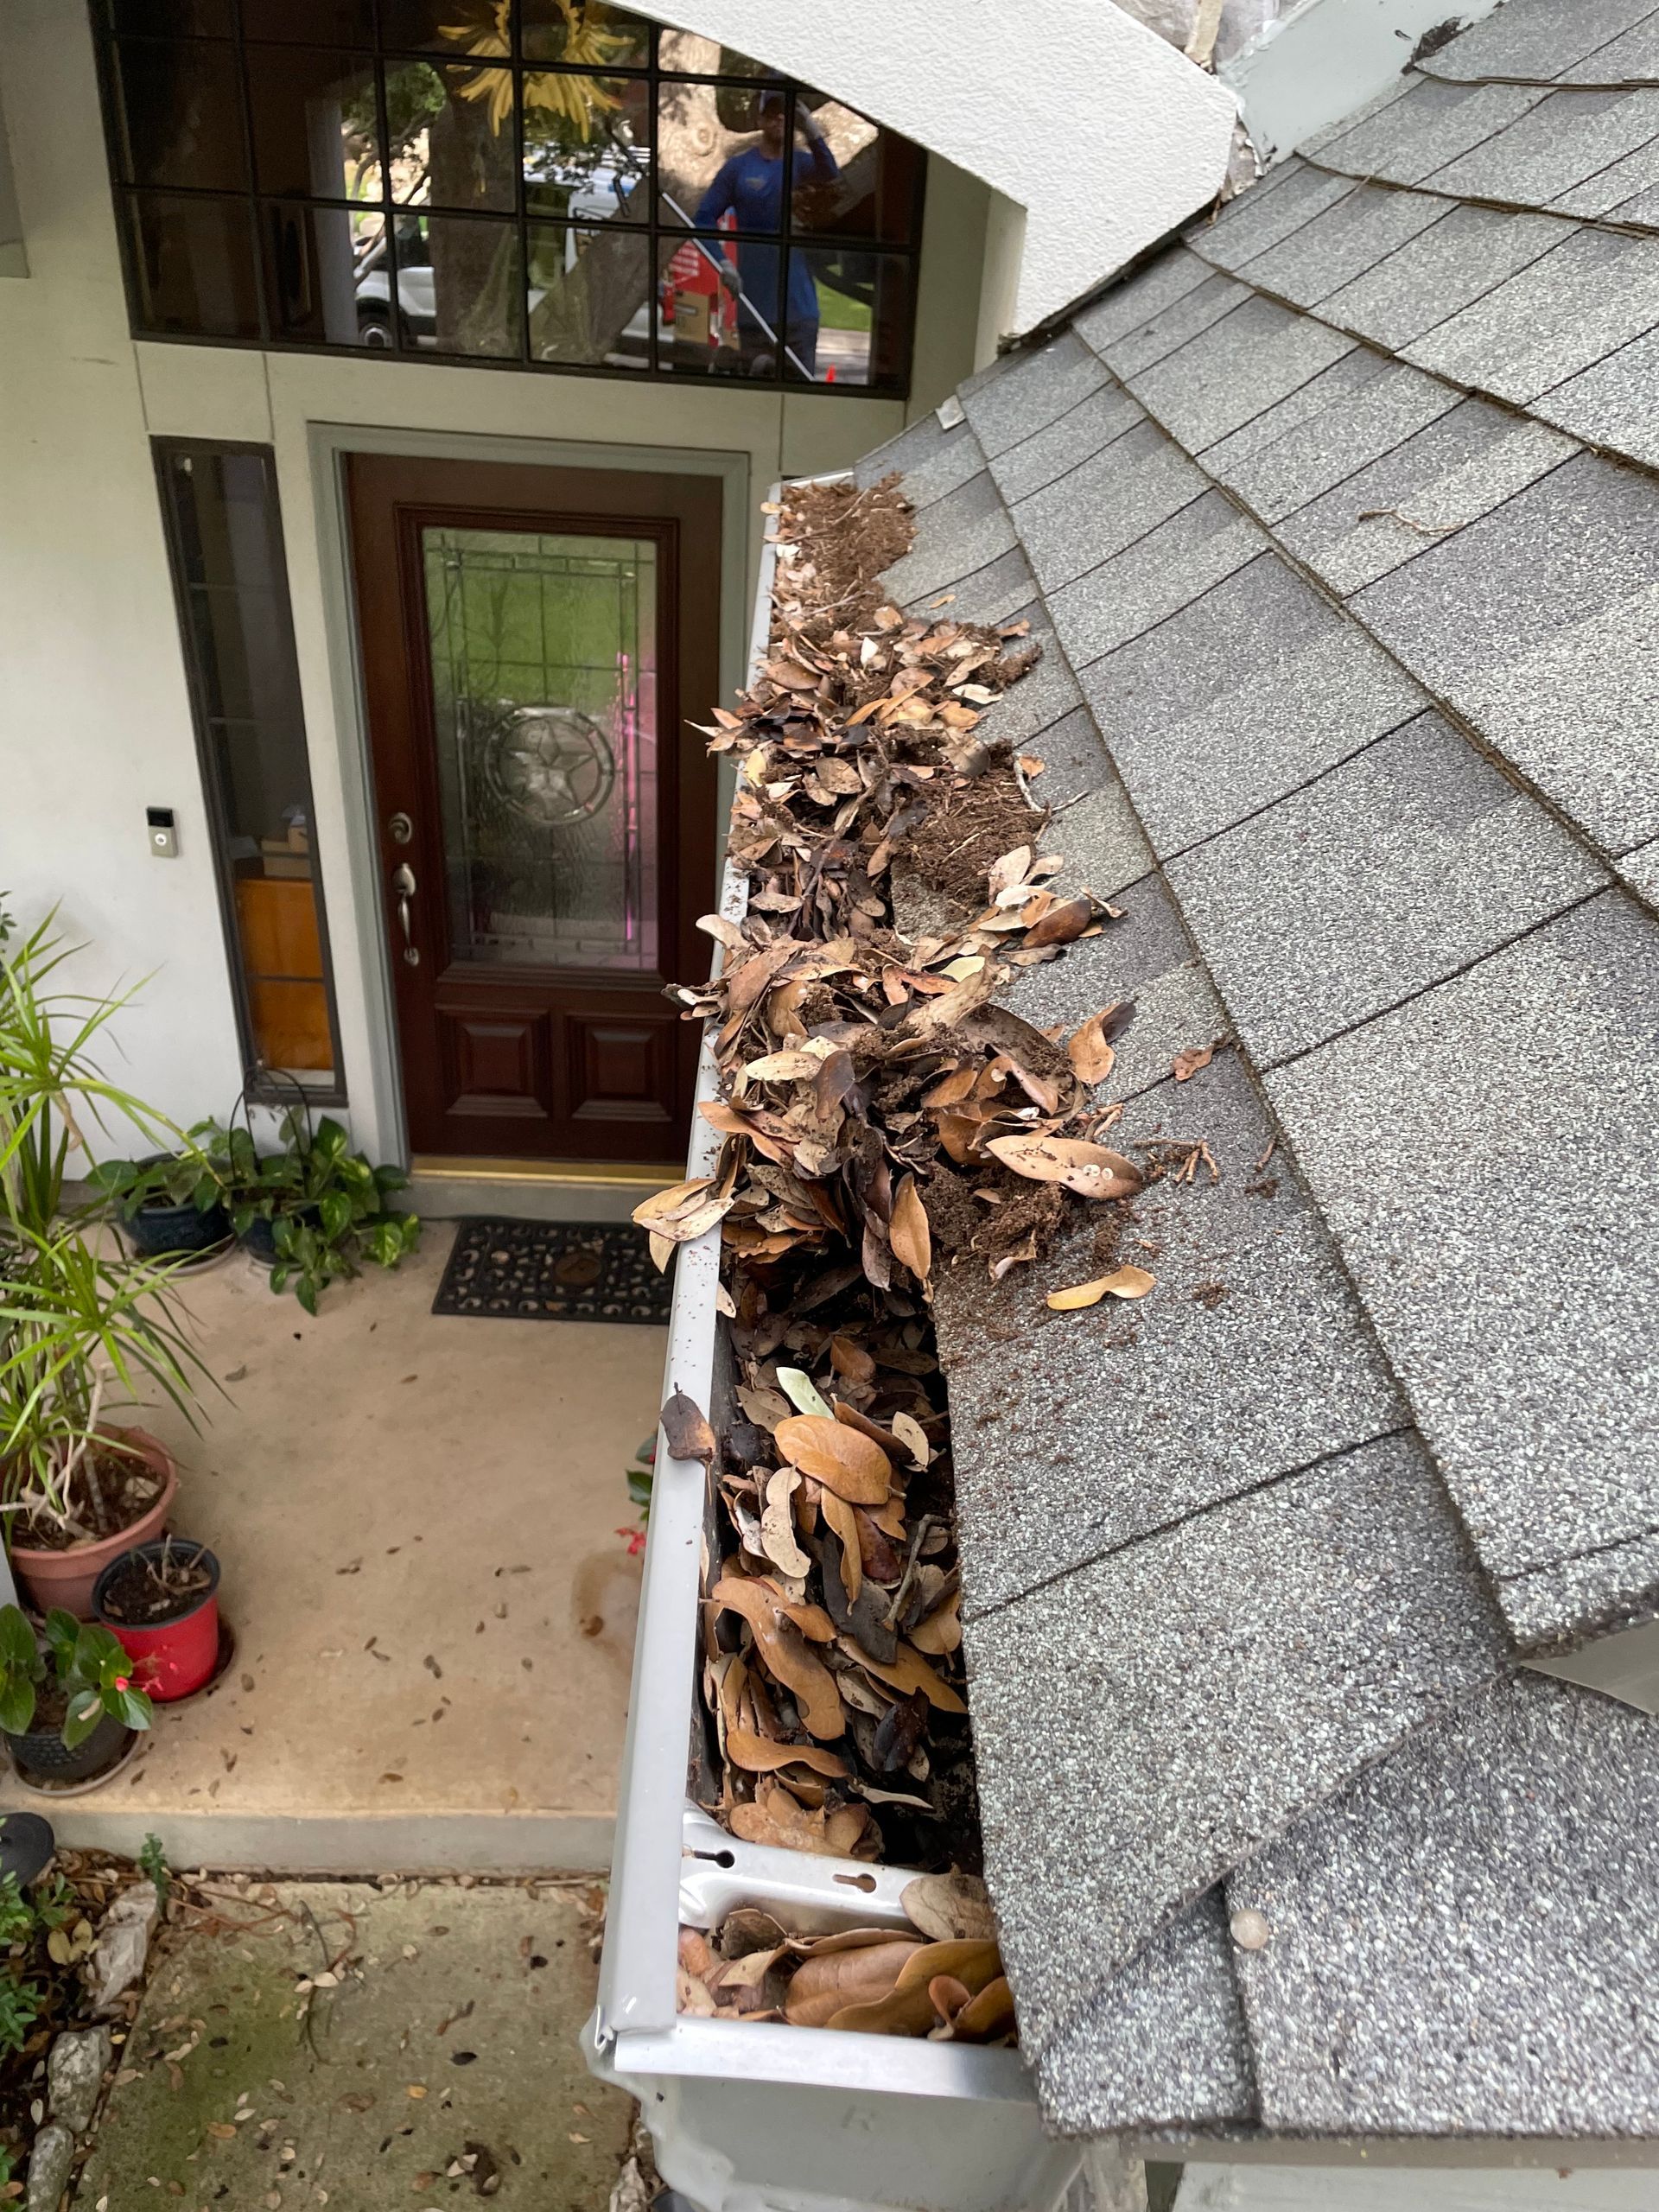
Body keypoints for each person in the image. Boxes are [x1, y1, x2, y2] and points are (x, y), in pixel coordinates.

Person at [692, 88, 839, 376]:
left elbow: (831, 174)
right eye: (772, 115)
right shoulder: (738, 168)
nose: (779, 121)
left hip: (800, 313)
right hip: (754, 311)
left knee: (800, 394)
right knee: (758, 395)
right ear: (760, 120)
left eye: (786, 115)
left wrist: (811, 130)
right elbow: (704, 219)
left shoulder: (803, 164)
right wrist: (721, 262)